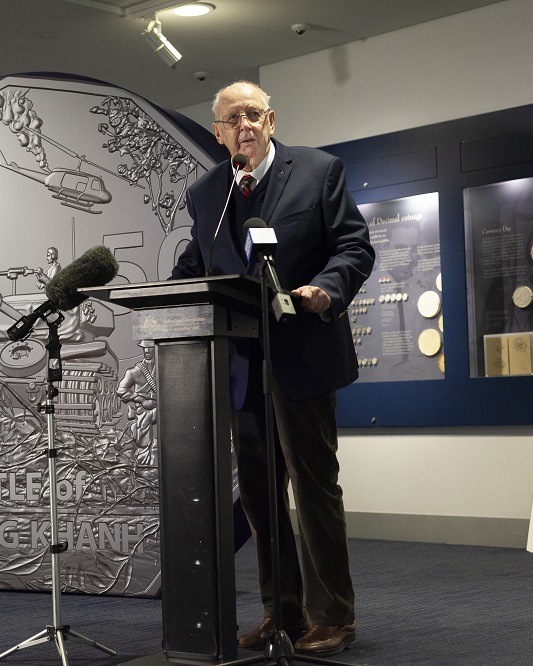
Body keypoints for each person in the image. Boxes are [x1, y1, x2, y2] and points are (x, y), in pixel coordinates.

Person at [171, 81, 374, 657]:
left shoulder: (319, 171)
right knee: (260, 496)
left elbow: (354, 247)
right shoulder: (208, 194)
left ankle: (332, 616)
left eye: (253, 114)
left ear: (271, 119)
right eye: (232, 118)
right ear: (218, 133)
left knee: (312, 490)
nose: (244, 125)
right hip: (240, 362)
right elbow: (198, 261)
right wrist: (167, 291)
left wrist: (326, 290)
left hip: (301, 351)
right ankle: (279, 614)